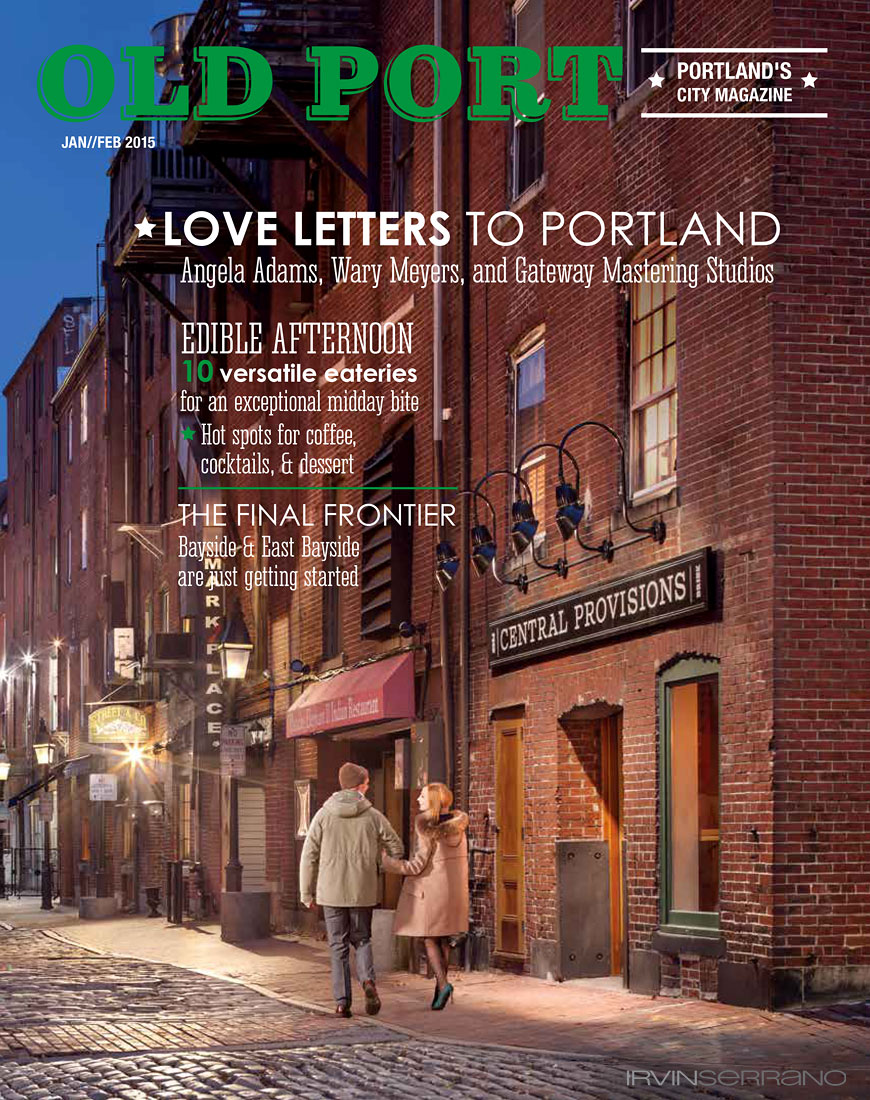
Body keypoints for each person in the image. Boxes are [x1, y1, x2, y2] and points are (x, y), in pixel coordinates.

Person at [300, 762, 403, 1018]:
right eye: (366, 784)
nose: (367, 788)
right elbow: (396, 847)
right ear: (359, 786)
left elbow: (308, 855)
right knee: (363, 939)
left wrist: (306, 893)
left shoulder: (323, 815)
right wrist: (377, 862)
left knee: (338, 946)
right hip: (362, 890)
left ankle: (342, 1003)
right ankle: (368, 981)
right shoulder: (373, 815)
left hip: (331, 892)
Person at [382, 782, 469, 1010]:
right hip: (454, 892)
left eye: (422, 796)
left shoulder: (426, 828)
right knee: (444, 939)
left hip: (431, 891)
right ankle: (439, 993)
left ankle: (443, 983)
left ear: (431, 800)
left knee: (429, 938)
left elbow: (418, 865)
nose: (418, 800)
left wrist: (388, 863)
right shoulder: (459, 827)